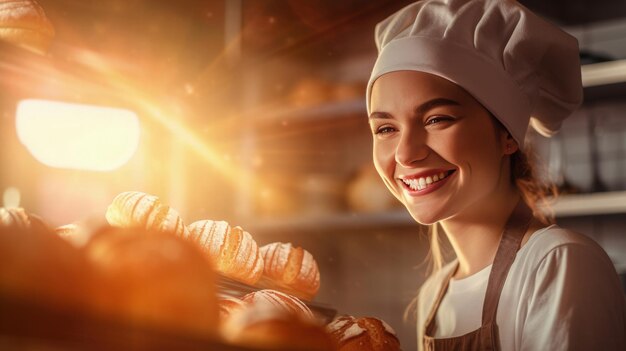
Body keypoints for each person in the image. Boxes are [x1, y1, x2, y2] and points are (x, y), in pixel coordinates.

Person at [365, 0, 626, 350]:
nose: (406, 153)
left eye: (437, 119)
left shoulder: (559, 264)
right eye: (385, 129)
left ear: (507, 135)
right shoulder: (435, 294)